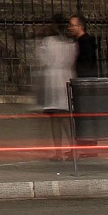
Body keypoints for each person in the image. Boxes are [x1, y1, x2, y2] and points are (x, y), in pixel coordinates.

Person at [31, 16, 78, 149]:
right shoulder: (70, 43)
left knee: (55, 120)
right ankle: (72, 147)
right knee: (66, 118)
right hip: (67, 78)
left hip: (53, 80)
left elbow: (42, 59)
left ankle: (58, 151)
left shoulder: (48, 42)